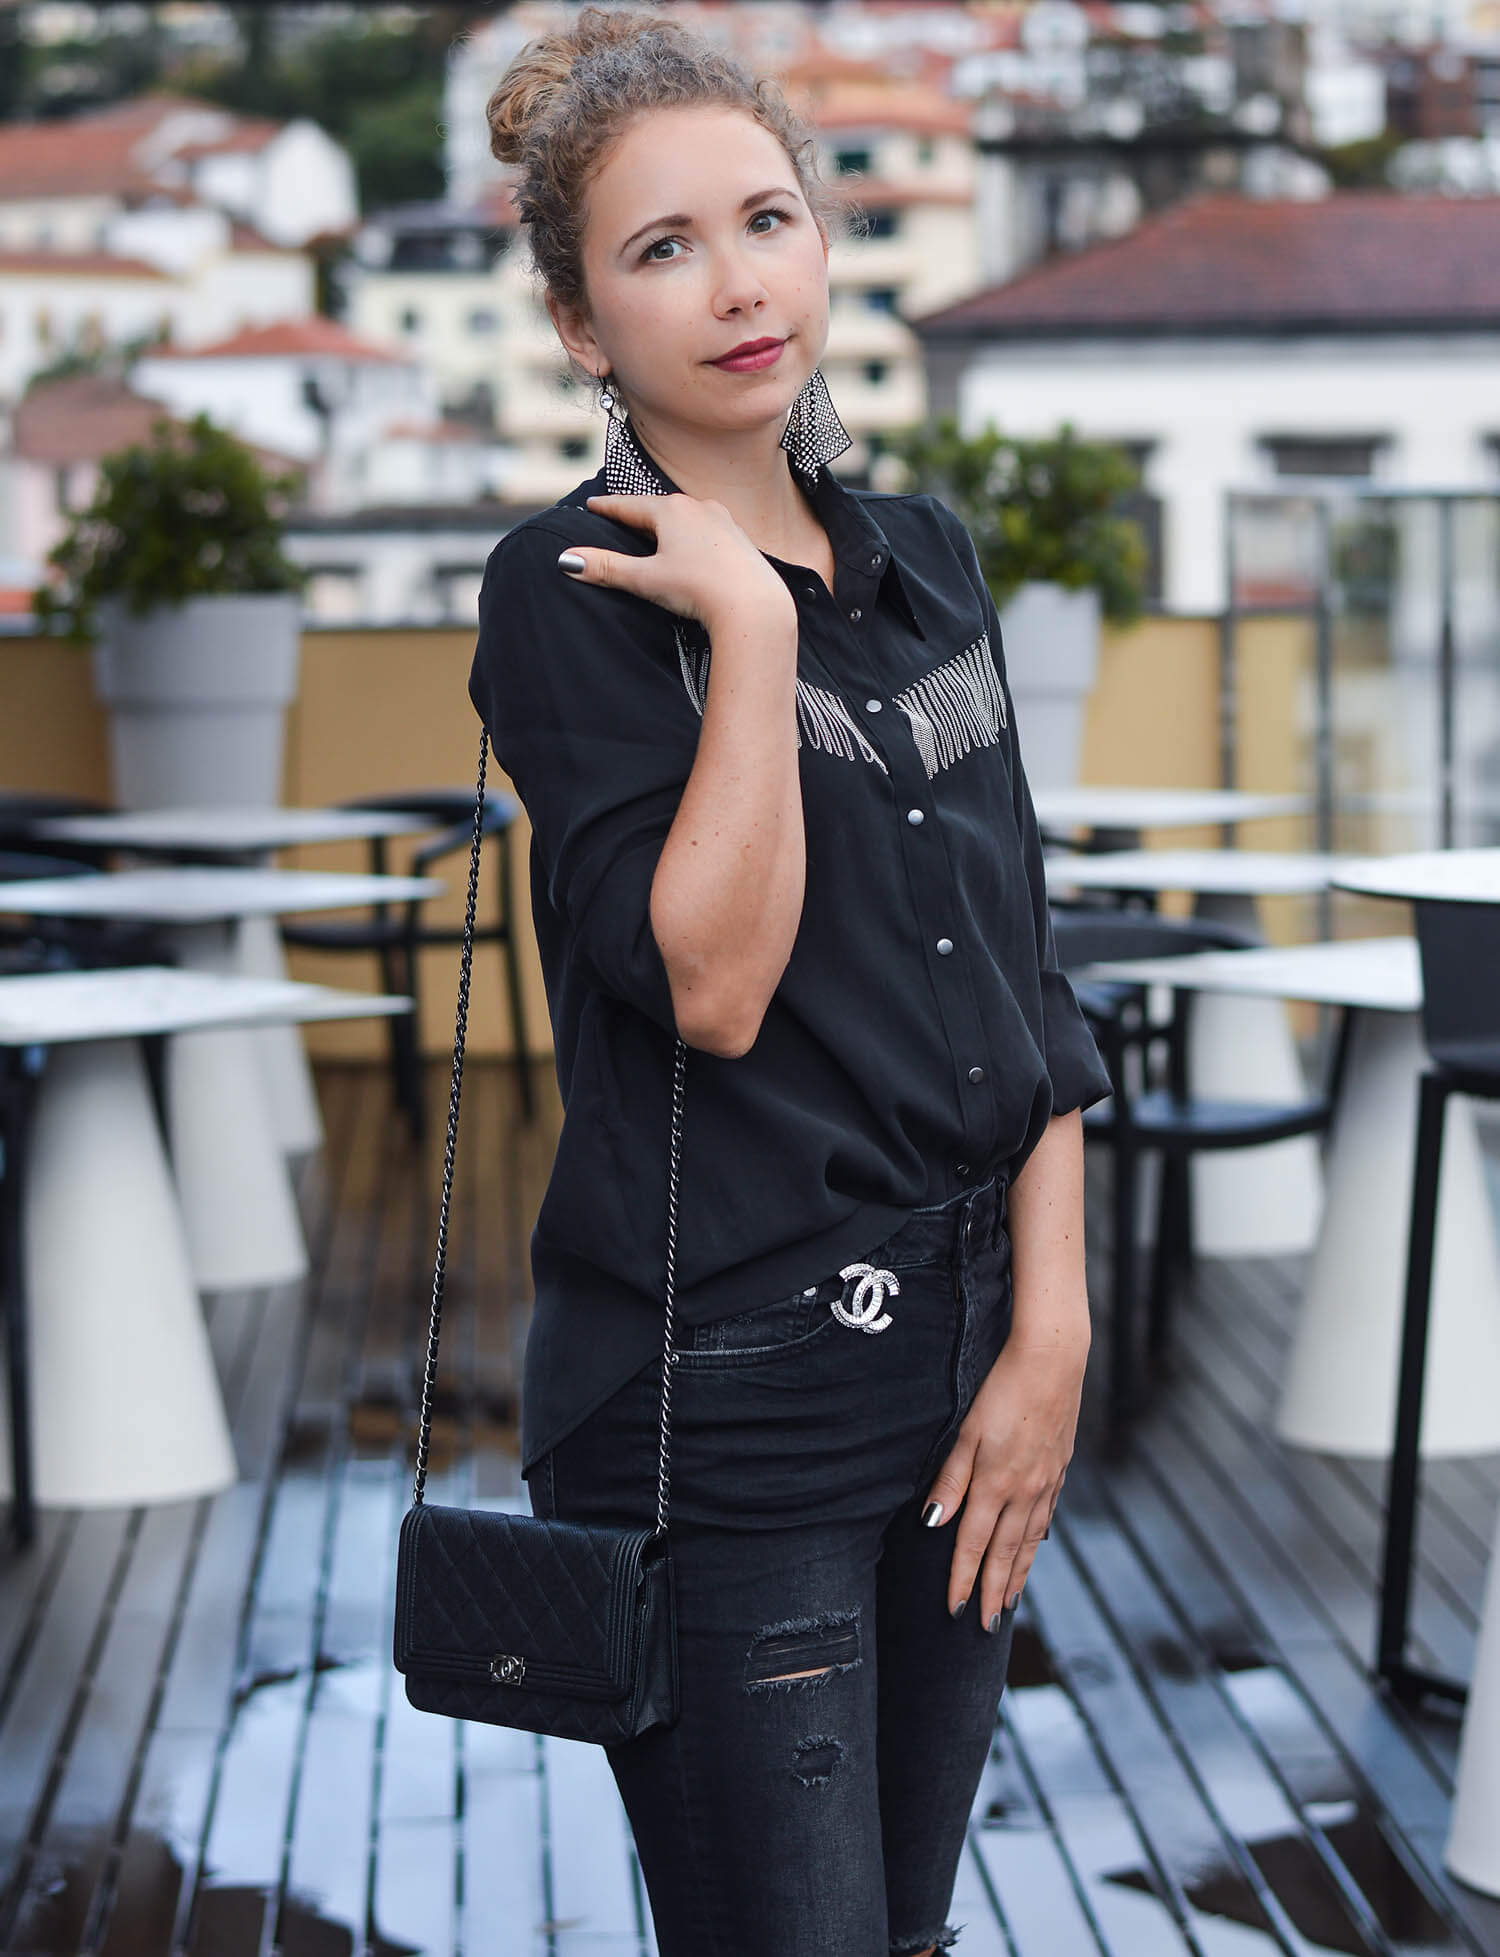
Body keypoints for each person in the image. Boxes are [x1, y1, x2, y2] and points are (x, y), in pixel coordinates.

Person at [467, 11, 1111, 1954]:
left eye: (768, 219)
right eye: (663, 248)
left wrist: (1056, 1334)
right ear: (583, 327)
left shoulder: (926, 561)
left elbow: (1023, 974)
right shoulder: (563, 589)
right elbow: (716, 988)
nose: (739, 282)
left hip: (974, 1353)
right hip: (727, 1391)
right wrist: (746, 631)